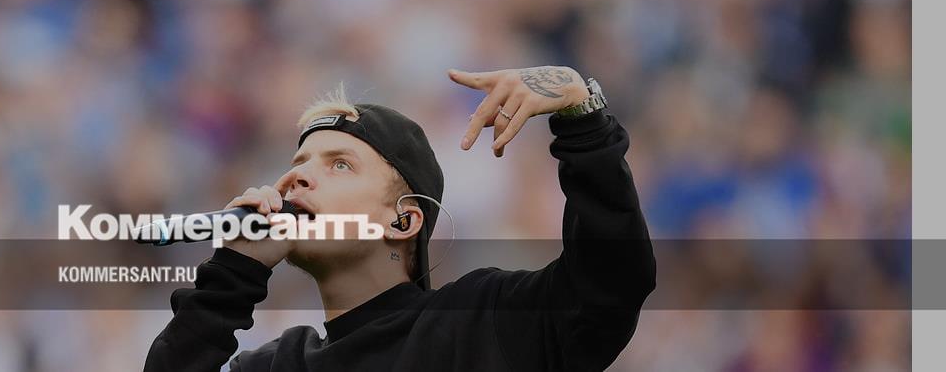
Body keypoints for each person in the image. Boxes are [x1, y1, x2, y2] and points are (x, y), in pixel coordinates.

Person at [144, 65, 656, 371]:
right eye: (298, 164)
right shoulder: (277, 364)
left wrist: (583, 121)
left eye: (339, 165)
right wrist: (232, 276)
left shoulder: (483, 322)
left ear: (403, 221)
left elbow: (611, 284)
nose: (295, 179)